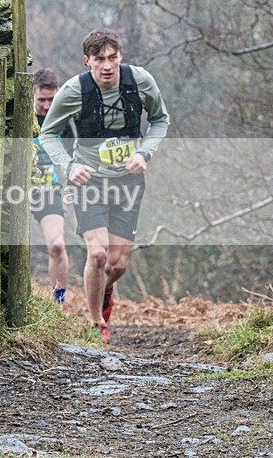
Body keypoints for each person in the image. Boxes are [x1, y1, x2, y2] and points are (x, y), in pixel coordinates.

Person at [39, 29, 170, 343]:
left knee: (117, 262)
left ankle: (105, 289)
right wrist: (70, 166)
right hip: (91, 181)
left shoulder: (140, 81)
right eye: (100, 59)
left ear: (120, 57)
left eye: (113, 58)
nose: (107, 65)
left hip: (128, 180)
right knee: (97, 254)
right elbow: (47, 133)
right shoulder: (73, 90)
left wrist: (144, 152)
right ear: (88, 61)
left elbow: (160, 120)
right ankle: (96, 322)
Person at [31, 69, 70, 306]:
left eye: (51, 100)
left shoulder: (64, 121)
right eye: (42, 100)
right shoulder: (19, 119)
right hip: (17, 190)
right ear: (33, 95)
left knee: (57, 245)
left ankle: (58, 304)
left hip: (49, 189)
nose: (47, 106)